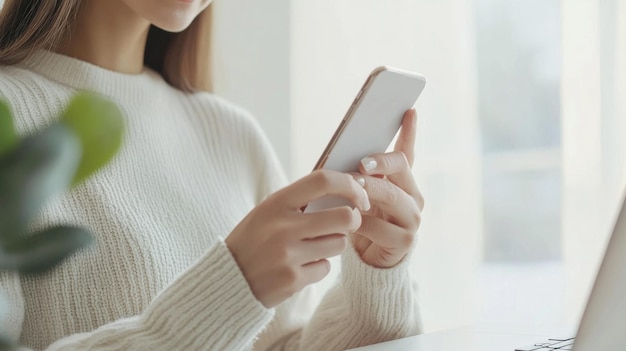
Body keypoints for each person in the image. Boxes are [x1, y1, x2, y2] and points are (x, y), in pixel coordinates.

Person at [0, 0, 425, 350]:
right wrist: (229, 292)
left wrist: (376, 287)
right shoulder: (10, 115)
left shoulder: (231, 132)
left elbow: (282, 344)